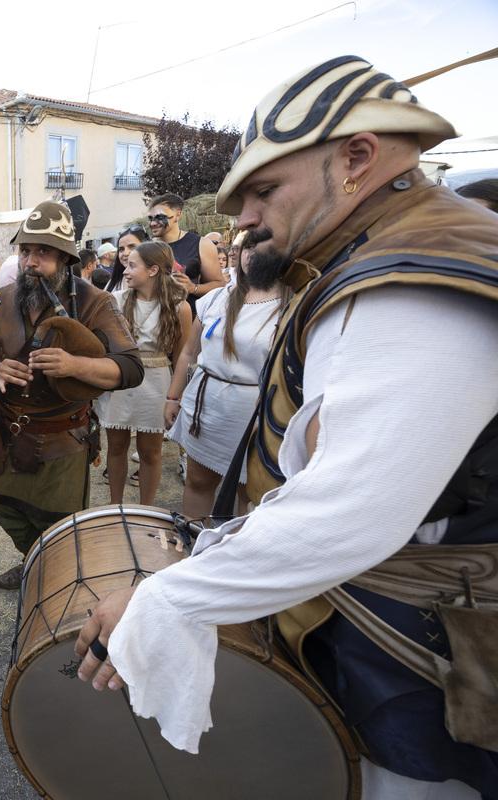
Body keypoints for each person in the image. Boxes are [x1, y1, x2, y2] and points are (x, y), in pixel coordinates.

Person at [76, 56, 498, 799]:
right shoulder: (380, 253)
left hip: (423, 652)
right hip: (382, 617)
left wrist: (167, 598)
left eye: (264, 190)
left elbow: (346, 512)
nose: (240, 219)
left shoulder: (414, 277)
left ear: (358, 158)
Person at [0, 200, 143, 589]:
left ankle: (59, 579)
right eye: (25, 250)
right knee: (5, 506)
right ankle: (35, 561)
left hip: (64, 440)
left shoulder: (96, 302)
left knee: (61, 524)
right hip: (7, 434)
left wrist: (75, 366)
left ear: (65, 259)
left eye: (43, 252)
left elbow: (131, 368)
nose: (31, 261)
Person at [164, 245, 287, 518]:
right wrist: (173, 397)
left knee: (248, 493)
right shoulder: (217, 297)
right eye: (249, 246)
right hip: (205, 405)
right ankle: (193, 543)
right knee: (198, 482)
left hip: (254, 417)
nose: (253, 254)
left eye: (264, 245)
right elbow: (188, 352)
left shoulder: (291, 305)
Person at [95, 241, 190, 507]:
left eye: (132, 265)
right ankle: (116, 507)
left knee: (151, 453)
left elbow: (182, 357)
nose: (124, 269)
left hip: (157, 381)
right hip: (121, 378)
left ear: (153, 270)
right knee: (115, 447)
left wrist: (175, 397)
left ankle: (145, 509)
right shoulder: (114, 301)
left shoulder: (179, 307)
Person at [145, 194, 224, 308]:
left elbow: (220, 285)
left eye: (160, 217)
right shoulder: (145, 247)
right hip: (151, 318)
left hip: (187, 318)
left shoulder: (201, 245)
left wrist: (193, 288)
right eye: (150, 218)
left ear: (178, 215)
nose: (152, 223)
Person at [105, 223, 149, 293]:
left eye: (132, 247)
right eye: (121, 249)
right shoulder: (113, 284)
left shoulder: (157, 283)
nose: (125, 253)